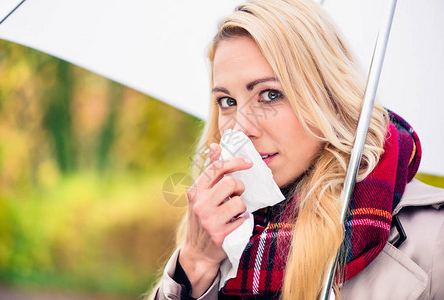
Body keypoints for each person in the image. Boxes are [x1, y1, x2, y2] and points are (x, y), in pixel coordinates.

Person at [150, 0, 444, 299]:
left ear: (329, 98)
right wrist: (196, 264)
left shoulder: (434, 240)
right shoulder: (218, 228)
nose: (240, 129)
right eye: (227, 101)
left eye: (270, 94)